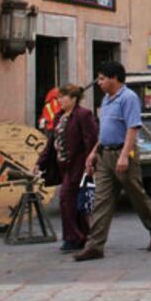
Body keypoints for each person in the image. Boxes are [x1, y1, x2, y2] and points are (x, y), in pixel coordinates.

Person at [74, 62, 151, 262]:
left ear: (114, 78)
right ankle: (95, 246)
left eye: (102, 78)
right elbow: (105, 130)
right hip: (105, 156)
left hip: (124, 155)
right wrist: (93, 152)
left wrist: (124, 155)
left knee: (137, 197)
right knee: (101, 200)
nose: (99, 82)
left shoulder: (128, 98)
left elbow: (133, 128)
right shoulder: (106, 100)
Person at [36, 84, 98, 250]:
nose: (60, 100)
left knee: (65, 198)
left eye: (63, 97)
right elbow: (51, 143)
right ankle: (83, 235)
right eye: (59, 97)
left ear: (73, 98)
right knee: (75, 202)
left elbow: (91, 140)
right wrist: (40, 163)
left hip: (78, 165)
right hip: (62, 166)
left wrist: (90, 163)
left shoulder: (83, 115)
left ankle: (72, 237)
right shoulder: (59, 117)